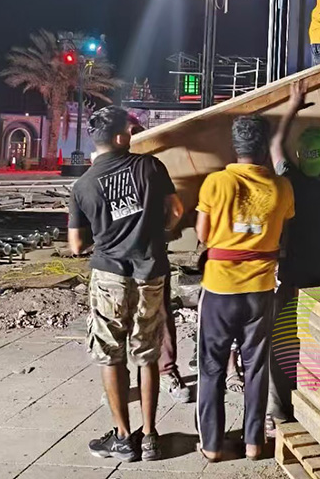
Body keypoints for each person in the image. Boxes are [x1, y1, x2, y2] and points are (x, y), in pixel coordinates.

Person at [68, 106, 183, 463]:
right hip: (150, 272)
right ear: (120, 137)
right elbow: (176, 210)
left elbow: (75, 245)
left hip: (109, 277)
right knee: (147, 354)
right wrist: (158, 232)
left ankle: (122, 437)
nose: (134, 136)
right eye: (130, 131)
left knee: (110, 355)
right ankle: (149, 437)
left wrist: (102, 237)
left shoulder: (83, 185)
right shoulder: (150, 167)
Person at [195, 116, 295, 462]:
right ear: (264, 147)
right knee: (255, 367)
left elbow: (203, 234)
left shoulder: (215, 183)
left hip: (220, 289)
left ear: (234, 146)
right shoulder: (282, 187)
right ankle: (254, 443)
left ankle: (211, 445)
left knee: (212, 367)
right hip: (261, 289)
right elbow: (281, 229)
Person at [266, 79, 320, 428]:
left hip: (297, 270)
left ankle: (279, 409)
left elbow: (274, 144)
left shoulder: (291, 183)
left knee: (284, 338)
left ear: (301, 156)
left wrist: (292, 106)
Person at [127, 115, 191, 405]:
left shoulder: (153, 168)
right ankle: (126, 380)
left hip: (150, 256)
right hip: (120, 260)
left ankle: (166, 371)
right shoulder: (109, 170)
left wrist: (163, 231)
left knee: (161, 315)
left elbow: (174, 208)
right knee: (122, 319)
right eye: (132, 133)